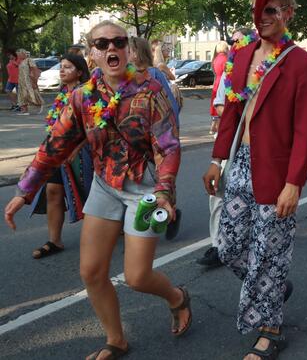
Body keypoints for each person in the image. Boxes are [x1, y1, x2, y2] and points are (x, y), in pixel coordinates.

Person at [4, 21, 189, 359]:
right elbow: (54, 146)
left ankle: (177, 298)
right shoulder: (82, 96)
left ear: (129, 49)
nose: (111, 49)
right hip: (105, 187)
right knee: (90, 271)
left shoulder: (150, 90)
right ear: (91, 53)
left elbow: (168, 146)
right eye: (101, 44)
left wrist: (164, 189)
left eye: (118, 42)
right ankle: (116, 339)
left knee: (136, 276)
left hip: (146, 189)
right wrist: (24, 190)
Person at [202, 0, 307, 359]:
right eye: (259, 9)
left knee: (269, 253)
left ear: (288, 14)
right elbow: (233, 110)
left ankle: (271, 329)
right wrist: (216, 158)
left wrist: (294, 183)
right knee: (228, 247)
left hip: (278, 170)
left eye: (272, 9)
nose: (264, 16)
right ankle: (273, 288)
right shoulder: (243, 54)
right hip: (241, 163)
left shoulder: (302, 64)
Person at [197, 27, 255, 268]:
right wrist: (215, 160)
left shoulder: (263, 68)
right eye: (232, 42)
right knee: (218, 195)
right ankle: (217, 244)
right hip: (230, 141)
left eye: (240, 41)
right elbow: (223, 107)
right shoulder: (230, 73)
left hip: (255, 147)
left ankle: (247, 239)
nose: (235, 45)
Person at [28, 54, 92, 259]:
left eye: (68, 67)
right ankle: (55, 240)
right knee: (53, 190)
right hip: (59, 155)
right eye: (61, 67)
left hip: (84, 155)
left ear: (80, 72)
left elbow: (94, 128)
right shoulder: (62, 94)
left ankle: (108, 229)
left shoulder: (88, 93)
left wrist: (76, 149)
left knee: (92, 196)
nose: (62, 71)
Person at [209, 40, 230, 135]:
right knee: (222, 104)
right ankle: (217, 127)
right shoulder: (226, 58)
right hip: (224, 81)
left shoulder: (215, 58)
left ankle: (213, 126)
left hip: (217, 81)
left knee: (216, 104)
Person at [16, 49, 43, 115]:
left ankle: (39, 104)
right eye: (18, 55)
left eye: (19, 54)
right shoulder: (22, 61)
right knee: (22, 95)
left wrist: (34, 80)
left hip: (28, 81)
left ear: (23, 54)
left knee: (29, 94)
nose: (18, 56)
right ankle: (25, 110)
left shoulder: (29, 60)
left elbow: (34, 69)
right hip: (22, 82)